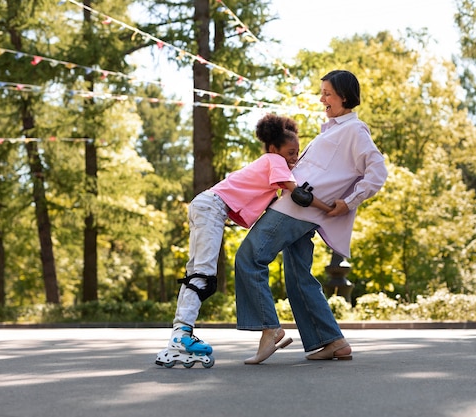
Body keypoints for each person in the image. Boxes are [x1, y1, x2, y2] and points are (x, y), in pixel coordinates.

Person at [155, 113, 334, 368]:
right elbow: (298, 196)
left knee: (196, 271)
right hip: (212, 208)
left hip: (205, 205)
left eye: (297, 153)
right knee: (203, 275)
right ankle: (181, 337)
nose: (295, 158)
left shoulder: (268, 163)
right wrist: (328, 208)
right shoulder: (275, 160)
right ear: (275, 148)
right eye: (291, 152)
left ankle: (180, 333)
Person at [235, 70, 388, 364]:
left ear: (345, 96)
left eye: (328, 93)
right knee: (297, 276)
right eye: (323, 93)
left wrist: (348, 202)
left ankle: (270, 329)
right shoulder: (330, 130)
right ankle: (332, 340)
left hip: (296, 210)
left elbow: (377, 171)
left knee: (249, 257)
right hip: (302, 207)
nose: (322, 99)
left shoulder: (354, 131)